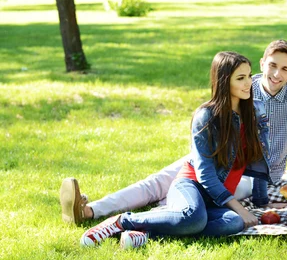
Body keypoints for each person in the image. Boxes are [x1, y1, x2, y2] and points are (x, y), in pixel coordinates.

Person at [61, 40, 287, 225]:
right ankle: (90, 210)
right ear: (262, 63)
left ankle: (151, 216)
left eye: (286, 69)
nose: (277, 74)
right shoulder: (243, 85)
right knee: (157, 183)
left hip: (246, 176)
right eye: (272, 65)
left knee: (188, 200)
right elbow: (213, 117)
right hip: (211, 160)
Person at [80, 51, 271, 249]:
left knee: (233, 222)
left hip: (218, 200)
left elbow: (259, 161)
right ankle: (122, 221)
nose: (249, 82)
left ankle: (146, 234)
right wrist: (239, 207)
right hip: (191, 186)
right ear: (224, 81)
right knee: (194, 218)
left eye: (249, 75)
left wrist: (262, 201)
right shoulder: (206, 117)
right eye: (240, 78)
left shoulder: (255, 112)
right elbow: (205, 174)